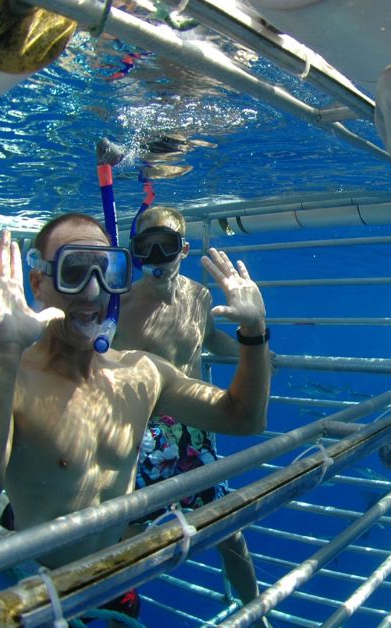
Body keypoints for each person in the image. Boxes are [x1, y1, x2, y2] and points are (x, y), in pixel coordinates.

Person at [0, 213, 271, 621]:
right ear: (38, 283)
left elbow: (245, 419)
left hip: (116, 584)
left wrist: (255, 329)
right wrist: (2, 352)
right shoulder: (14, 381)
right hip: (39, 596)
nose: (92, 290)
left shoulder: (141, 373)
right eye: (74, 271)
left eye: (107, 270)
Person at [114, 205, 265, 608]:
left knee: (228, 529)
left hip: (196, 429)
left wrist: (257, 353)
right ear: (135, 251)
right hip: (141, 436)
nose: (157, 256)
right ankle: (115, 609)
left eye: (166, 245)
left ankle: (255, 612)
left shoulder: (199, 296)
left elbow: (210, 339)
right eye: (148, 246)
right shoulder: (120, 305)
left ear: (183, 249)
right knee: (127, 539)